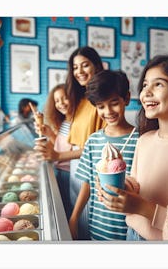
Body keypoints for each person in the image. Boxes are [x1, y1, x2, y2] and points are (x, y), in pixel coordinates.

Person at [97, 54, 168, 241]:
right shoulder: (144, 139)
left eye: (158, 84)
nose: (146, 92)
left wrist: (143, 208)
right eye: (145, 85)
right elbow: (138, 182)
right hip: (132, 234)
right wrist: (121, 187)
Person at [34, 46, 106, 239]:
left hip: (91, 177)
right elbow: (75, 143)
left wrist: (57, 156)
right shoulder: (80, 101)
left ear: (97, 66)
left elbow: (96, 150)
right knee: (78, 230)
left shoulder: (101, 102)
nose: (79, 71)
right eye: (75, 67)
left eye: (85, 65)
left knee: (88, 231)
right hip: (76, 172)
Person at [69, 70, 139, 240]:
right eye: (101, 106)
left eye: (114, 103)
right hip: (98, 228)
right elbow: (87, 183)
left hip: (130, 231)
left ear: (127, 99)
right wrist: (74, 218)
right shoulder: (93, 141)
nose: (108, 111)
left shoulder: (141, 139)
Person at [35, 84, 73, 220]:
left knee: (68, 209)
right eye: (57, 101)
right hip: (59, 170)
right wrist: (50, 133)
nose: (61, 103)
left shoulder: (76, 122)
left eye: (64, 98)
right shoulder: (64, 122)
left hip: (70, 174)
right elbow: (61, 144)